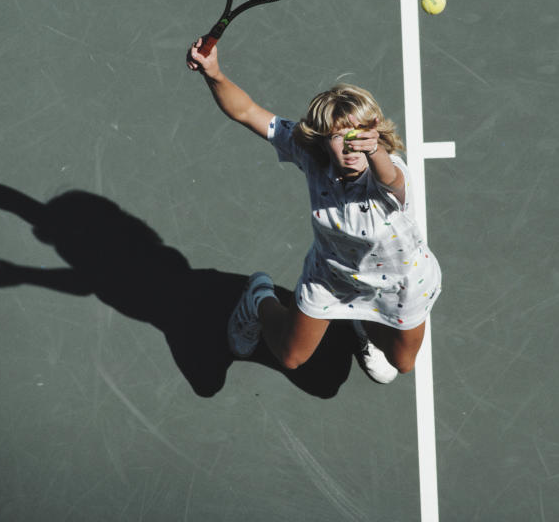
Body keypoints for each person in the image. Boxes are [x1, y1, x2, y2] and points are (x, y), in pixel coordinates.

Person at [187, 39, 442, 383]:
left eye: (359, 134)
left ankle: (364, 323)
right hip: (333, 275)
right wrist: (214, 74)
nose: (351, 145)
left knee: (403, 363)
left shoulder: (390, 172)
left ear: (374, 132)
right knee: (291, 357)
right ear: (322, 141)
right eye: (339, 137)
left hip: (398, 281)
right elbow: (247, 111)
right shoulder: (312, 156)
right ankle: (258, 299)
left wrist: (376, 151)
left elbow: (390, 178)